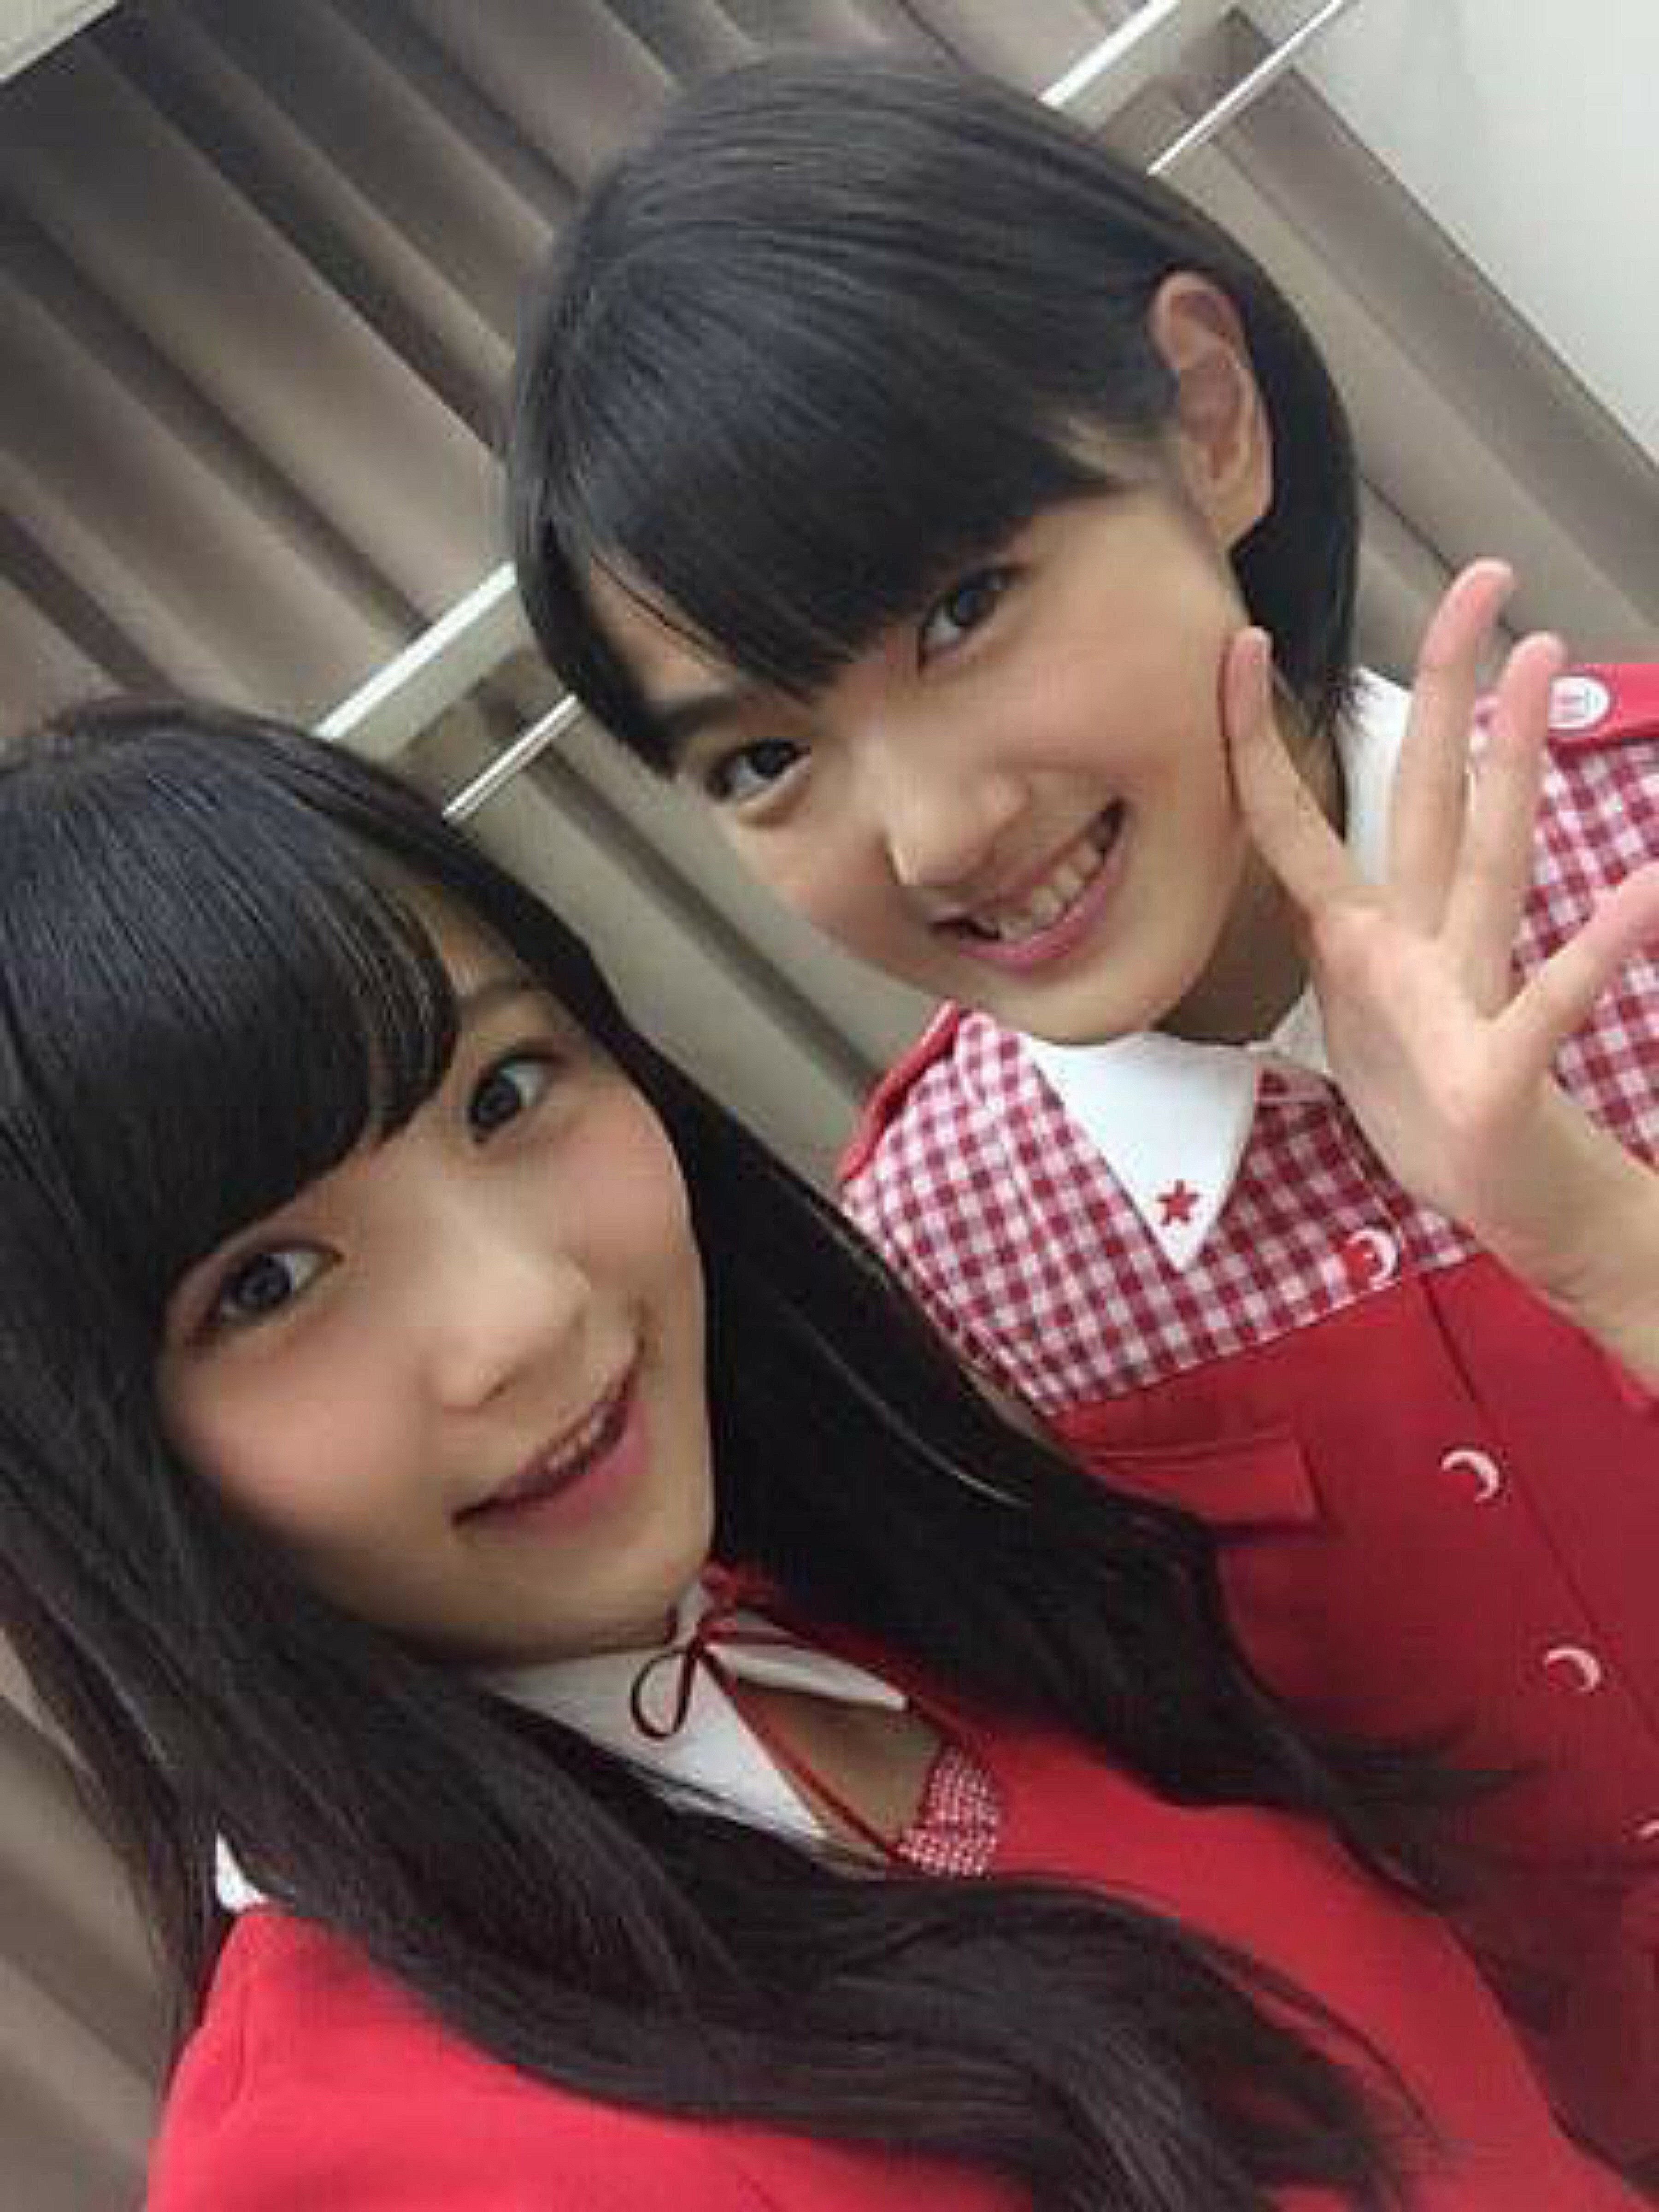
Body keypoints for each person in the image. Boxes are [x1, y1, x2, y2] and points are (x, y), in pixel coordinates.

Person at [0, 700, 1641, 2210]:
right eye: (268, 1286)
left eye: (505, 1094)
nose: (523, 1315)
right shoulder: (368, 2162)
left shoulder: (893, 1593)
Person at [504, 52, 1659, 2167]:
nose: (935, 830)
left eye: (964, 608)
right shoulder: (935, 1275)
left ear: (1208, 418)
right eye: (765, 760)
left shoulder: (1648, 838)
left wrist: (1597, 1241)